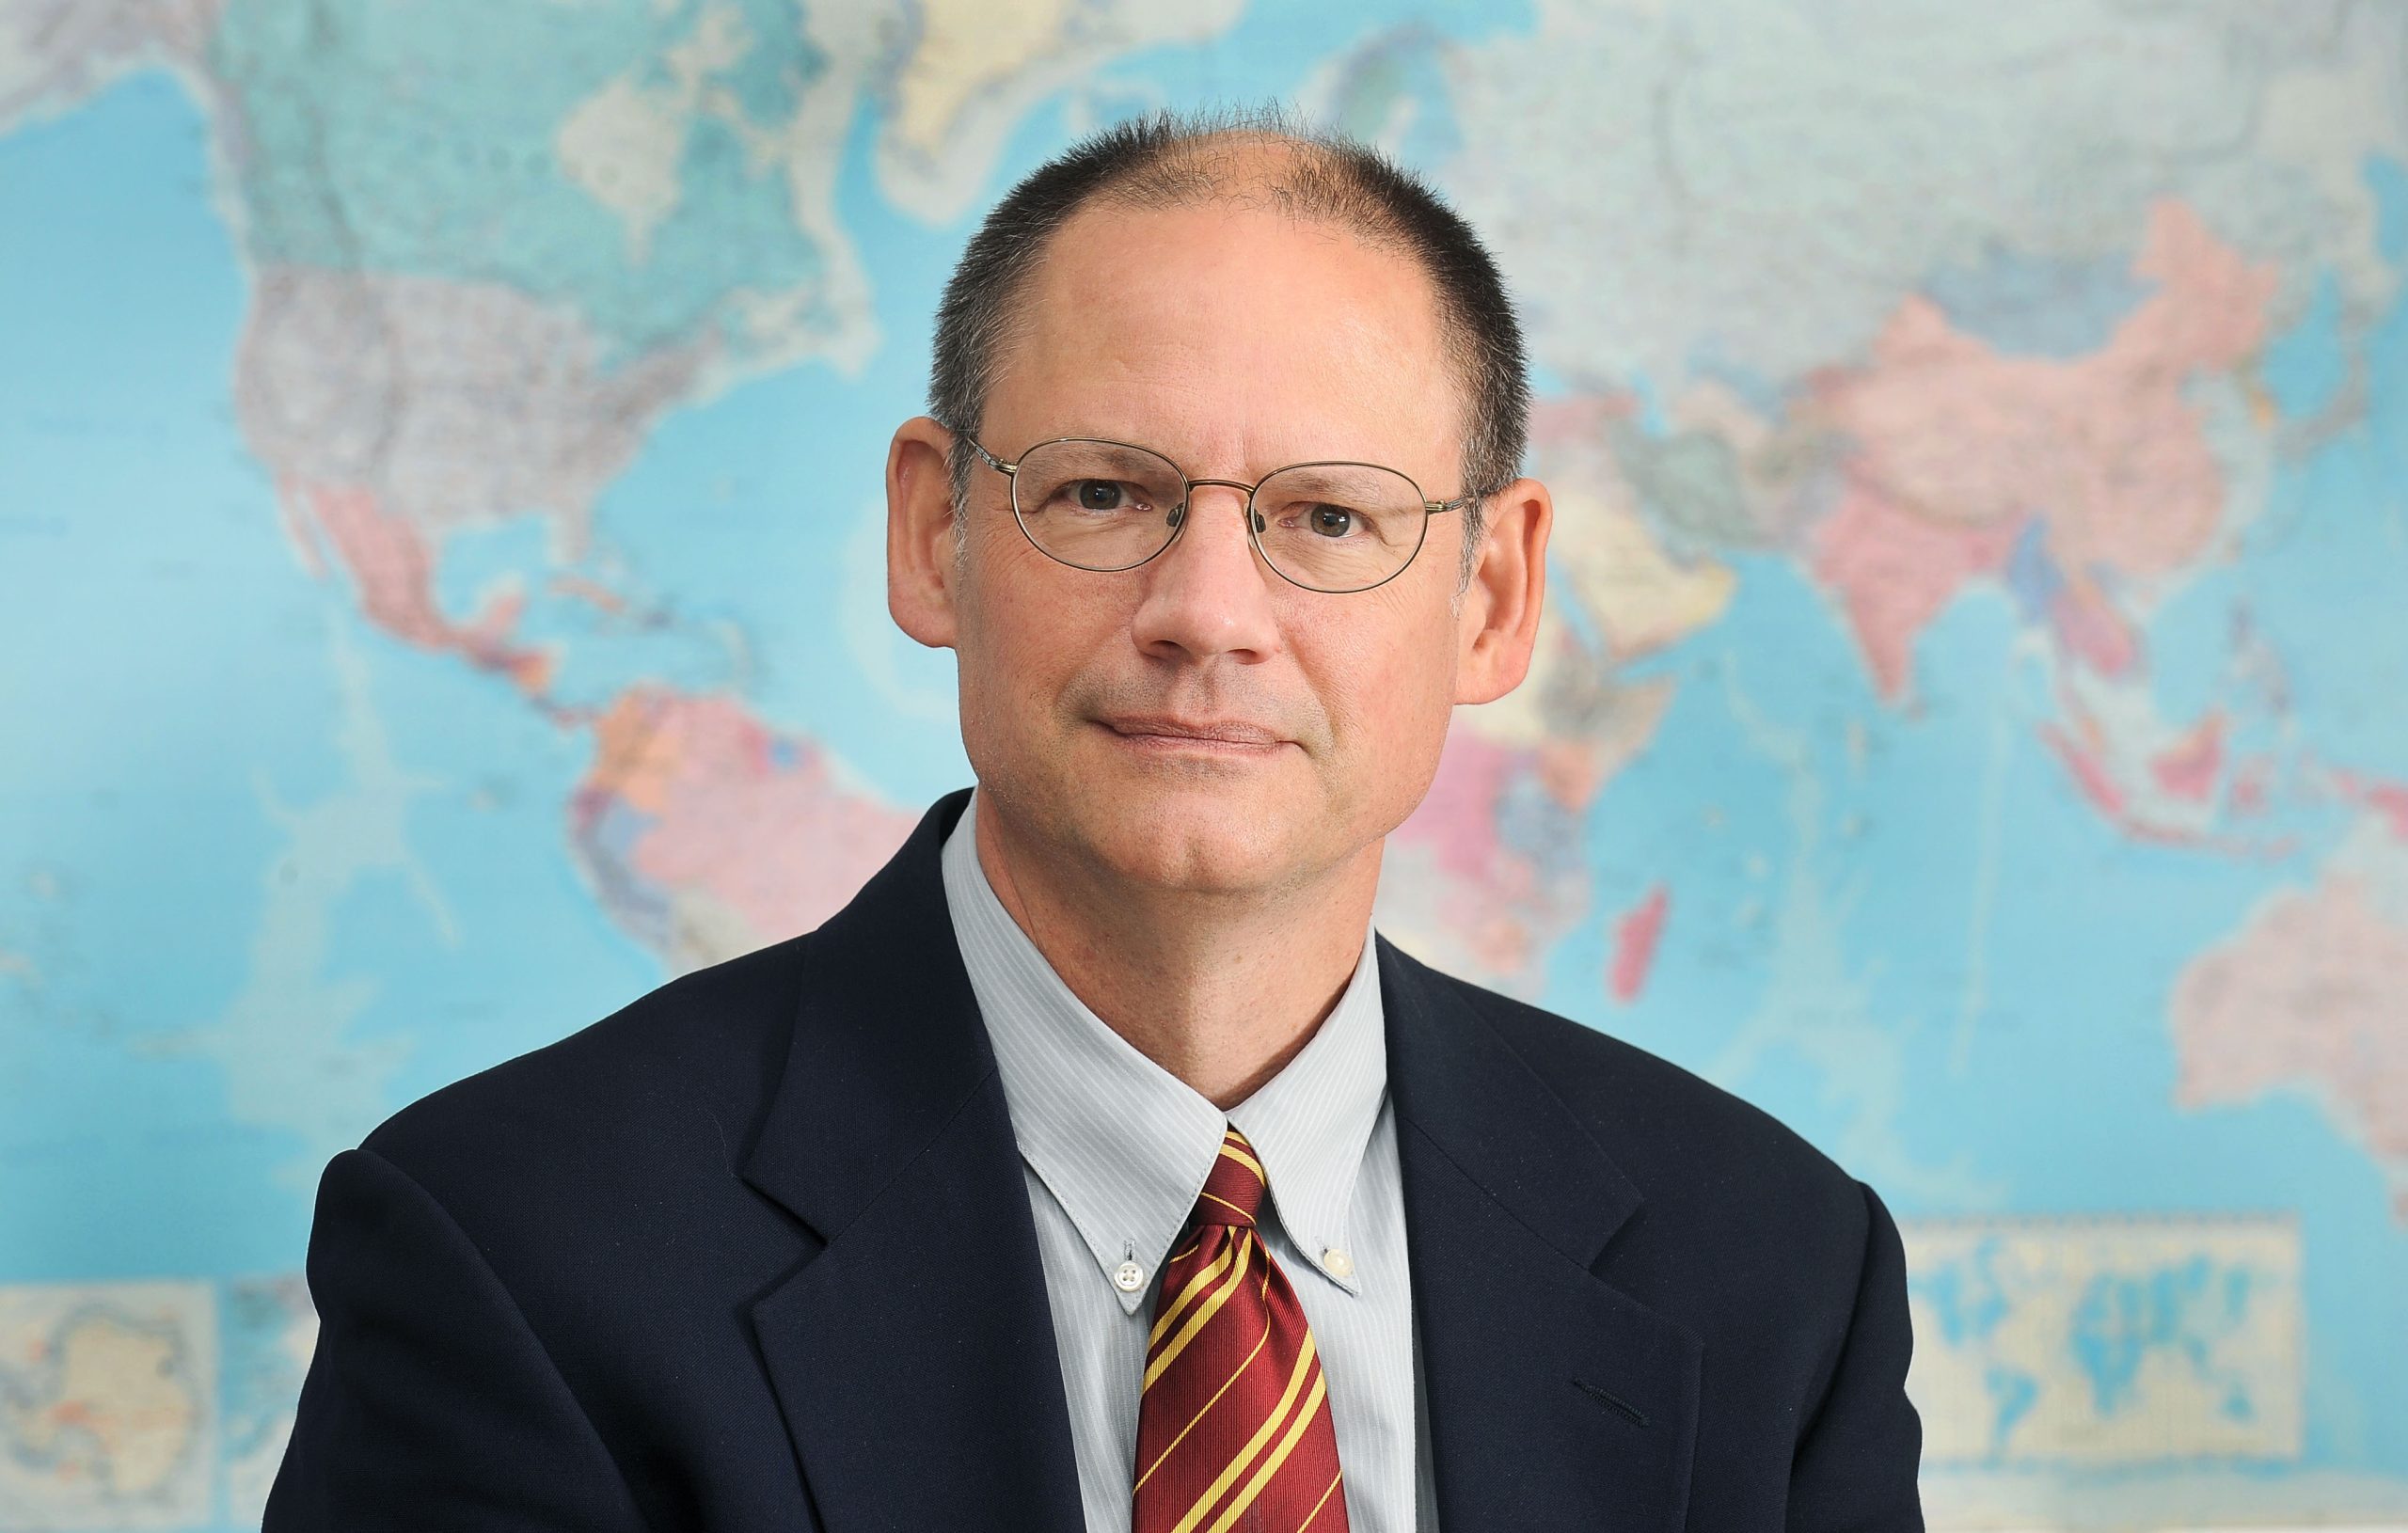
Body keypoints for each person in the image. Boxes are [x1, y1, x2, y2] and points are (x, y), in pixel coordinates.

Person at [264, 106, 1924, 1532]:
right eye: (1104, 493)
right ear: (933, 538)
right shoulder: (516, 1252)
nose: (1210, 610)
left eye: (1329, 516)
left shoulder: (1770, 1274)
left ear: (1491, 598)